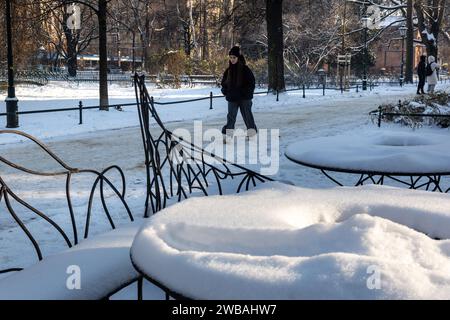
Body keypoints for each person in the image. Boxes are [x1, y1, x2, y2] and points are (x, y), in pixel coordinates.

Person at [221, 46, 257, 140]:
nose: (232, 59)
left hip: (244, 98)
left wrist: (245, 92)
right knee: (231, 117)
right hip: (232, 98)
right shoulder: (228, 71)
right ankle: (228, 135)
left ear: (238, 57)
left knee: (247, 116)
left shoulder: (245, 69)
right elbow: (224, 83)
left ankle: (251, 133)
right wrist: (225, 91)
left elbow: (251, 83)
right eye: (231, 57)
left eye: (234, 57)